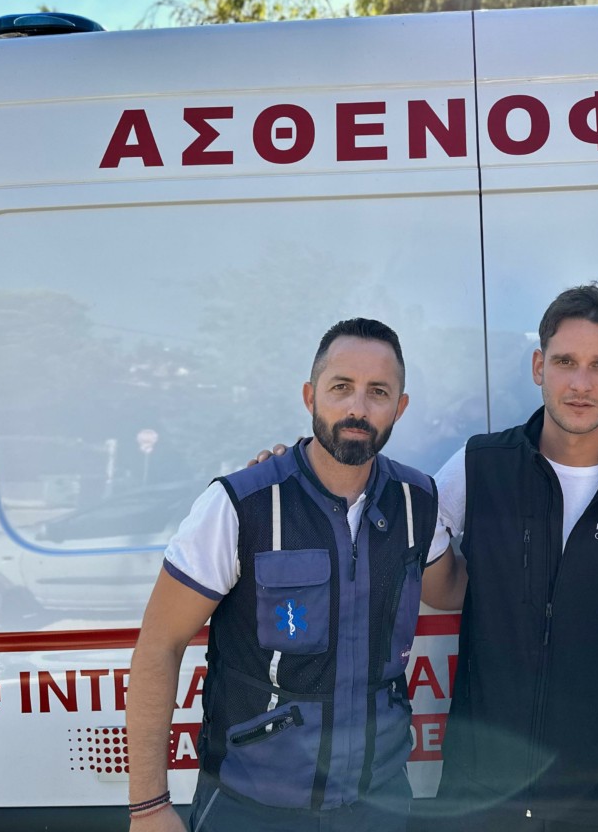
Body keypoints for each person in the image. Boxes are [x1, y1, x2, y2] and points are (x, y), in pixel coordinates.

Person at [125, 318, 439, 832]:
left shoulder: (417, 502)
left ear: (400, 407)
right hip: (251, 805)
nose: (358, 407)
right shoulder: (242, 505)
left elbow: (457, 588)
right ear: (310, 396)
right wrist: (149, 806)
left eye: (378, 392)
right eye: (341, 387)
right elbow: (159, 645)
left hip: (378, 803)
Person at [421, 284, 598, 832]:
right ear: (538, 367)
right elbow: (428, 550)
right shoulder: (481, 465)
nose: (580, 383)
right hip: (480, 795)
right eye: (566, 361)